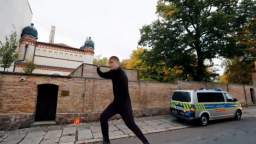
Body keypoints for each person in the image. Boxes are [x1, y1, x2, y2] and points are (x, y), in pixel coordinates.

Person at [96, 56, 150, 144]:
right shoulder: (112, 72)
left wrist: (124, 105)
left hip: (125, 105)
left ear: (118, 63)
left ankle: (146, 142)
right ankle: (106, 141)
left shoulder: (122, 74)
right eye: (109, 62)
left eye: (112, 62)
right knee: (103, 117)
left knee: (131, 125)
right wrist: (98, 68)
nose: (110, 64)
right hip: (116, 104)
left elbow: (123, 91)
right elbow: (103, 75)